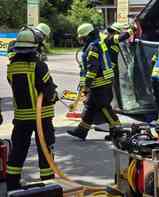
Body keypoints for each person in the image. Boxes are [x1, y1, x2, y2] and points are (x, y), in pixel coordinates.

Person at [6, 30, 58, 191]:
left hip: (21, 118)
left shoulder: (12, 67)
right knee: (45, 148)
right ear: (34, 47)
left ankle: (12, 183)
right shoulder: (40, 66)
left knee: (19, 149)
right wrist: (55, 95)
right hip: (41, 117)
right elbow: (48, 93)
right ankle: (48, 184)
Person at [67, 23, 135, 141]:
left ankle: (117, 130)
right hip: (99, 82)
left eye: (82, 37)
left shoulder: (93, 46)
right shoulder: (96, 44)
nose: (81, 40)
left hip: (100, 83)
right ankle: (81, 130)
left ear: (87, 36)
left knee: (104, 107)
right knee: (90, 106)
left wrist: (87, 85)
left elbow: (93, 68)